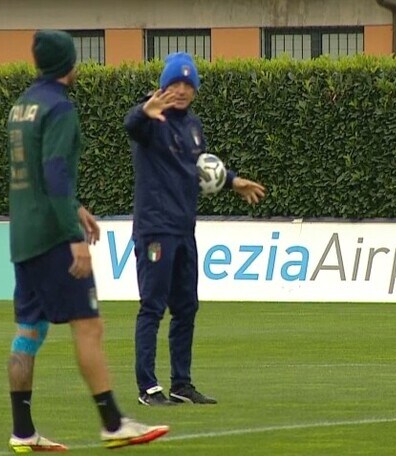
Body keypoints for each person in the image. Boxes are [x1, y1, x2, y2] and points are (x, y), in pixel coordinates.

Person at [5, 30, 169, 451]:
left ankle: (23, 432)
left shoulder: (22, 106)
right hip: (52, 237)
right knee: (89, 326)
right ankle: (113, 423)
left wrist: (75, 207)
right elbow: (56, 173)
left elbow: (38, 173)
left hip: (23, 234)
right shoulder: (60, 108)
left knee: (28, 331)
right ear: (68, 64)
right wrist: (74, 235)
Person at [124, 52, 266, 406]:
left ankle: (181, 384)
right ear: (163, 85)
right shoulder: (150, 118)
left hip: (184, 229)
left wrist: (232, 181)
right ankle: (147, 387)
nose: (183, 90)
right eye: (176, 83)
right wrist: (144, 111)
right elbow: (131, 126)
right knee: (152, 306)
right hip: (156, 229)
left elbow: (198, 166)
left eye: (189, 84)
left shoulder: (193, 125)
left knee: (186, 307)